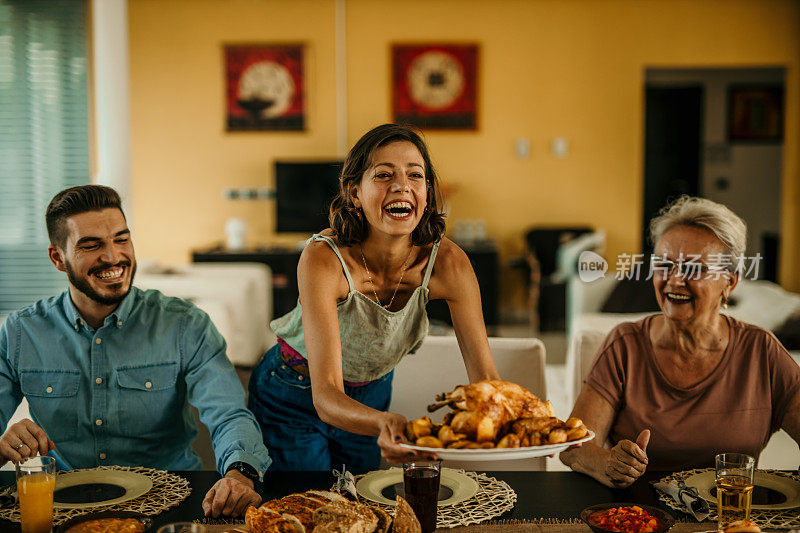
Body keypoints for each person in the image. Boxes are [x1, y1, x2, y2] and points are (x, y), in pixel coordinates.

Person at [0, 185, 270, 518]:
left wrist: (239, 473)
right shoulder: (20, 332)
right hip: (63, 508)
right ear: (58, 258)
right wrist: (3, 448)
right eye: (91, 245)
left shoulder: (186, 325)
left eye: (121, 239)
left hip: (170, 503)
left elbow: (228, 413)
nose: (113, 257)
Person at [248, 124, 500, 472]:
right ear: (355, 193)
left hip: (372, 394)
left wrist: (524, 425)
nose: (402, 186)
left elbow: (486, 379)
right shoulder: (324, 259)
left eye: (416, 175)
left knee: (362, 509)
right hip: (292, 392)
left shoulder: (449, 264)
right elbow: (326, 396)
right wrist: (385, 422)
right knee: (306, 508)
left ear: (427, 191)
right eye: (383, 175)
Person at [560, 196, 800, 486]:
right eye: (664, 264)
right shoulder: (625, 345)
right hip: (642, 519)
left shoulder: (761, 351)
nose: (674, 279)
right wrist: (608, 462)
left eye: (694, 268)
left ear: (730, 281)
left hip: (729, 521)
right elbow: (573, 449)